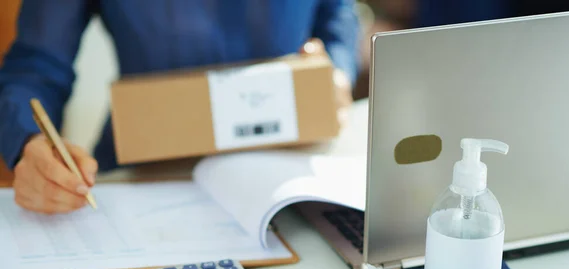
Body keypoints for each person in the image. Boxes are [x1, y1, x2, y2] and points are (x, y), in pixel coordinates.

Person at [0, 0, 360, 214]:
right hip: (146, 177)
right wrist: (29, 142)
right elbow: (36, 64)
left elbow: (337, 15)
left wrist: (338, 72)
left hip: (293, 177)